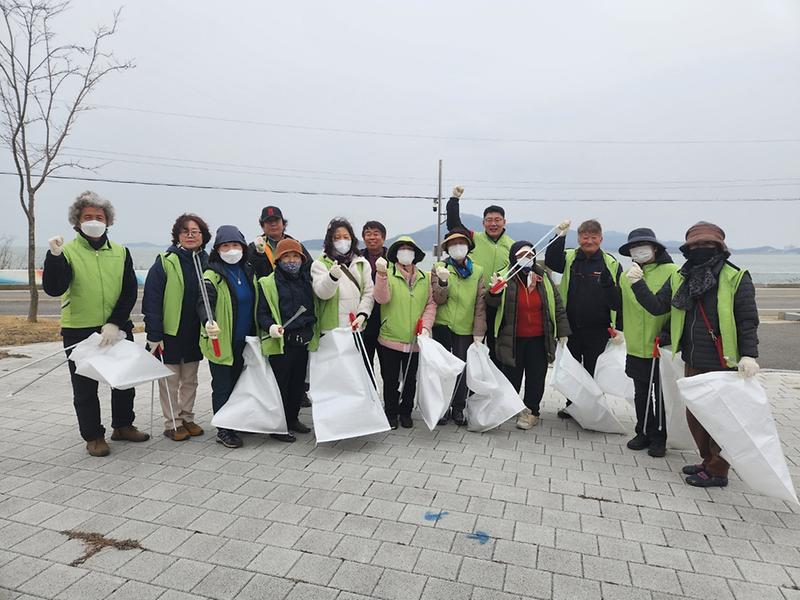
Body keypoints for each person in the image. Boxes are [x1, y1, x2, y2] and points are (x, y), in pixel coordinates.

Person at [629, 222, 759, 487]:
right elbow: (657, 307)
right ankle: (707, 461)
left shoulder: (736, 277)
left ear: (720, 247)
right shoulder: (682, 277)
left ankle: (718, 471)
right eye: (695, 245)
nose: (701, 249)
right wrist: (638, 284)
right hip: (691, 358)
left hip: (723, 362)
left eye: (707, 244)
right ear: (687, 249)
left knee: (720, 419)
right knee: (696, 416)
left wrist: (749, 355)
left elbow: (747, 320)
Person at [42, 191, 149, 457]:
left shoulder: (121, 252)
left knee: (123, 381)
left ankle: (123, 425)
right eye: (87, 217)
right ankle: (93, 436)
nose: (94, 221)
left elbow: (129, 290)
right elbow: (54, 288)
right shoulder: (66, 251)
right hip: (79, 328)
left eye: (99, 217)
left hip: (116, 327)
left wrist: (115, 323)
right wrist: (54, 257)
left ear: (108, 221)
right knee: (85, 387)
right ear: (77, 221)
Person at [601, 228, 678, 457]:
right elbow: (622, 306)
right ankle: (643, 431)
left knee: (661, 394)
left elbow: (675, 308)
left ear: (655, 248)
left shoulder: (673, 272)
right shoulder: (628, 275)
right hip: (635, 344)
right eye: (634, 247)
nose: (639, 250)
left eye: (644, 245)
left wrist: (669, 335)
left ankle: (660, 437)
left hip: (660, 345)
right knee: (641, 392)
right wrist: (607, 287)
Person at [142, 213, 211, 441]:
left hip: (196, 331)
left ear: (203, 236)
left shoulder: (207, 262)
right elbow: (152, 299)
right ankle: (172, 422)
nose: (190, 235)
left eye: (195, 231)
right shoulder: (165, 261)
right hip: (171, 332)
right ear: (177, 235)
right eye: (185, 231)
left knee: (190, 379)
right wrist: (154, 333)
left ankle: (187, 417)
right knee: (170, 380)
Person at [487, 242, 570, 429]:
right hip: (512, 337)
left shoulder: (543, 277)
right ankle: (512, 407)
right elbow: (490, 305)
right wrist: (494, 293)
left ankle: (532, 411)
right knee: (511, 376)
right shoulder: (504, 276)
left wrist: (563, 332)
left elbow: (556, 305)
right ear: (513, 257)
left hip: (540, 338)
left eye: (530, 255)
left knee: (536, 376)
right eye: (521, 255)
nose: (526, 259)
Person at [545, 219, 622, 418]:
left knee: (594, 370)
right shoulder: (571, 257)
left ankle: (593, 410)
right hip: (571, 326)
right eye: (585, 237)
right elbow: (552, 261)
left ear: (601, 239)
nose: (589, 241)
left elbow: (620, 298)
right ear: (578, 238)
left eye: (593, 237)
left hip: (599, 328)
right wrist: (559, 237)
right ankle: (572, 406)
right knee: (573, 370)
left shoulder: (611, 263)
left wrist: (619, 329)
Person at [198, 225, 256, 449]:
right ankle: (224, 428)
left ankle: (237, 420)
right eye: (225, 246)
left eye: (235, 245)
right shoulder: (211, 275)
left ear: (242, 247)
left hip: (246, 340)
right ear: (217, 249)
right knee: (222, 385)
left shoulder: (247, 270)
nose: (231, 250)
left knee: (240, 383)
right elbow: (203, 301)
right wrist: (207, 320)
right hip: (221, 340)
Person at [256, 238, 317, 443]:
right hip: (281, 341)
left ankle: (292, 419)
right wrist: (271, 326)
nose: (292, 260)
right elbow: (262, 313)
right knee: (280, 385)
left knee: (298, 384)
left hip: (302, 340)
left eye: (295, 256)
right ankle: (277, 425)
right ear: (278, 260)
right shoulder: (267, 282)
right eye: (286, 256)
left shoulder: (306, 280)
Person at [373, 236, 437, 429]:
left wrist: (425, 327)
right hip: (390, 337)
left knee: (411, 378)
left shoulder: (425, 278)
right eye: (401, 249)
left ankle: (406, 411)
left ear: (416, 254)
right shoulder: (387, 274)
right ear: (395, 254)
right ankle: (390, 412)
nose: (405, 252)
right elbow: (381, 298)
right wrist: (381, 275)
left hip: (416, 339)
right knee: (390, 378)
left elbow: (431, 305)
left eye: (409, 249)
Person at [446, 185, 514, 365]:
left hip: (498, 302)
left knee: (495, 347)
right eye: (489, 220)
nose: (493, 224)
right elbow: (454, 225)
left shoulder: (512, 245)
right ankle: (468, 387)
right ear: (483, 223)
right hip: (473, 302)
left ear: (504, 222)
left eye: (497, 220)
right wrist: (454, 200)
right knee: (470, 347)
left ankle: (494, 385)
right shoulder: (474, 238)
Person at [431, 228, 487, 426]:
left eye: (461, 243)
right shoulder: (438, 267)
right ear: (447, 248)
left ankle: (458, 407)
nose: (457, 247)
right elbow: (438, 298)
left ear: (468, 246)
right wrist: (443, 282)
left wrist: (479, 332)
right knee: (443, 369)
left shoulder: (478, 271)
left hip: (465, 326)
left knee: (463, 368)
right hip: (442, 325)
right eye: (453, 244)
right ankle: (442, 407)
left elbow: (480, 304)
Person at [311, 218, 374, 336]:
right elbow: (322, 294)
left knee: (356, 354)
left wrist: (362, 315)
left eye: (346, 237)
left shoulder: (361, 263)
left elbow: (369, 292)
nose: (342, 241)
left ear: (352, 239)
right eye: (337, 238)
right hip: (331, 330)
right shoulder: (320, 263)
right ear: (330, 240)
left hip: (356, 326)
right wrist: (331, 278)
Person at [247, 205, 311, 279]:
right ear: (262, 226)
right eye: (269, 221)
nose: (273, 224)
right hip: (266, 288)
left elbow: (309, 268)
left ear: (283, 224)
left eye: (276, 220)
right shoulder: (254, 247)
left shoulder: (296, 245)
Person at [359, 220, 388, 373]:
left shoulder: (393, 259)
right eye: (368, 234)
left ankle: (391, 396)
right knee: (364, 364)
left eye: (376, 234)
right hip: (364, 320)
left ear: (383, 238)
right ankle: (369, 395)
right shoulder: (357, 260)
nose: (372, 237)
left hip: (386, 319)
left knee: (388, 367)